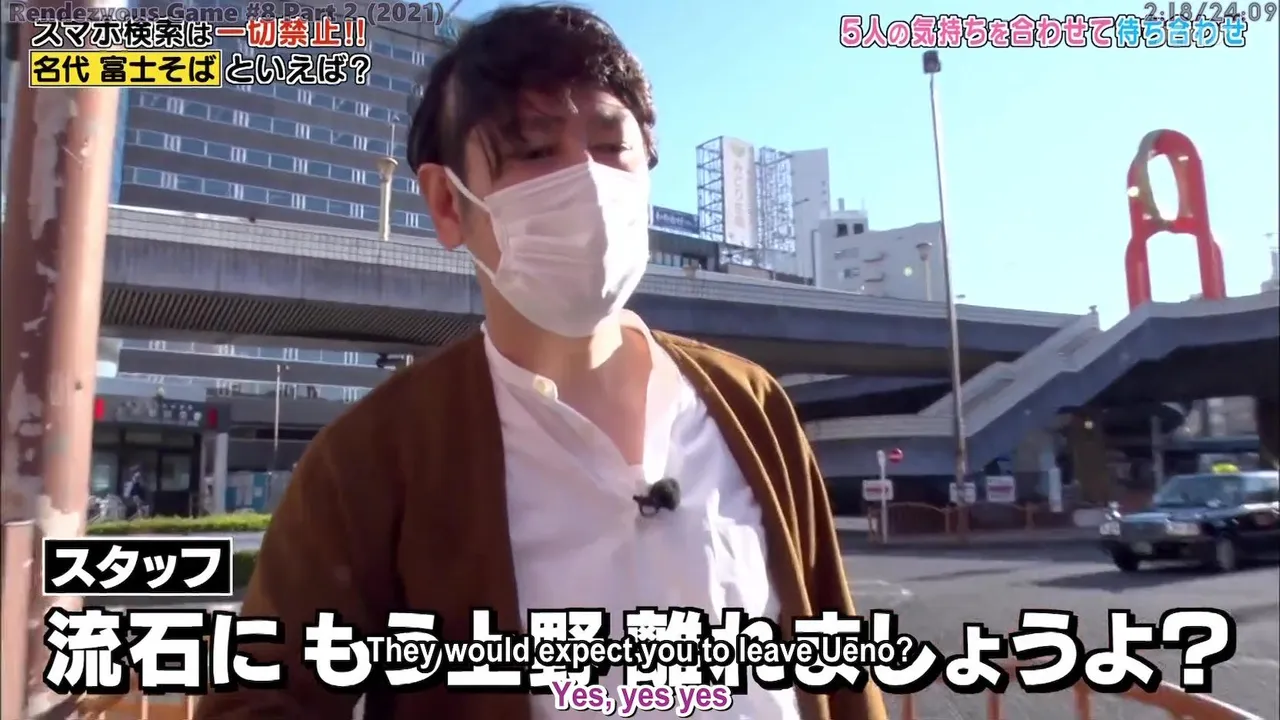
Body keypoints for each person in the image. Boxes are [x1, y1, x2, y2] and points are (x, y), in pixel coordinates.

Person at [195, 6, 887, 720]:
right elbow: (258, 702)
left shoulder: (750, 406)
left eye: (611, 146)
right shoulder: (373, 457)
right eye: (533, 151)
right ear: (448, 203)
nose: (587, 181)